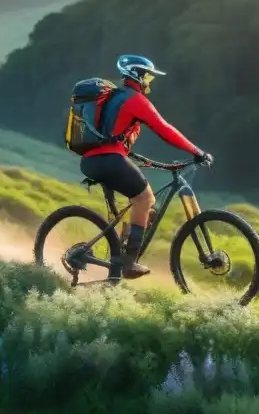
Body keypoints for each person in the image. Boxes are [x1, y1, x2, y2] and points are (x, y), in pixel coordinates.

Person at [80, 54, 212, 279]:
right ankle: (128, 262)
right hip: (108, 160)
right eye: (148, 77)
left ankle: (120, 253)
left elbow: (112, 136)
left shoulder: (115, 98)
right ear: (137, 75)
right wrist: (196, 152)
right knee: (145, 198)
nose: (149, 81)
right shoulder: (134, 100)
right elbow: (164, 129)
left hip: (93, 160)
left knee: (145, 208)